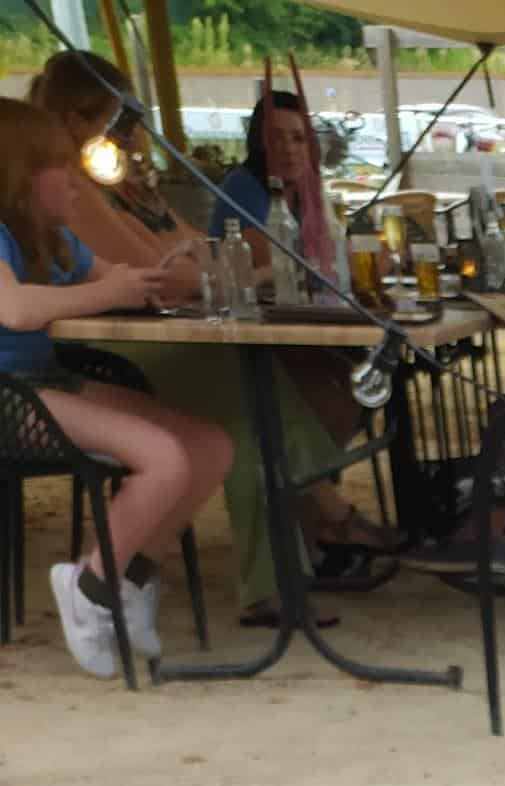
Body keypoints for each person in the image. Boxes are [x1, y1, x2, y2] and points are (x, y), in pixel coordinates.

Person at [31, 55, 389, 623]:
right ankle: (297, 551)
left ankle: (303, 541)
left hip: (154, 324)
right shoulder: (74, 186)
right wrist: (212, 265)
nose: (130, 136)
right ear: (77, 120)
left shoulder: (116, 183)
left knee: (262, 393)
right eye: (117, 122)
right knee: (246, 405)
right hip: (110, 342)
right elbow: (156, 268)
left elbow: (198, 243)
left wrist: (200, 260)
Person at [0, 100, 231, 678]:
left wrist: (159, 280)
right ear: (20, 176)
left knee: (210, 447)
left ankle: (126, 582)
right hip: (10, 394)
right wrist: (109, 292)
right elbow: (16, 309)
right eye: (61, 166)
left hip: (48, 382)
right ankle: (88, 588)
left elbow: (117, 280)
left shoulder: (56, 240)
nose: (77, 182)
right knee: (163, 458)